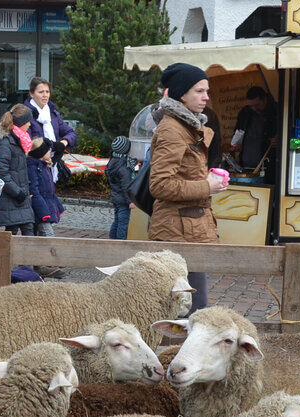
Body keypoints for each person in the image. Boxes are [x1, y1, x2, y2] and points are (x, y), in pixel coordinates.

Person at [148, 62, 228, 314]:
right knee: (187, 309)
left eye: (207, 91)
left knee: (195, 308)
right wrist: (206, 186)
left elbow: (180, 173)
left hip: (188, 230)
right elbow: (160, 185)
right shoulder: (173, 130)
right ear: (182, 93)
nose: (206, 97)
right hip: (176, 232)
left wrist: (205, 178)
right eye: (199, 91)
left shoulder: (188, 126)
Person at [0, 104, 35, 236]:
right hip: (13, 197)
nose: (30, 125)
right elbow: (1, 172)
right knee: (13, 234)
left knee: (24, 231)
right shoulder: (6, 142)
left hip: (20, 196)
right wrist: (18, 192)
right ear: (21, 123)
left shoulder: (17, 140)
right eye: (28, 122)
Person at [25, 76, 77, 184]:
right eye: (41, 92)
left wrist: (63, 142)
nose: (45, 95)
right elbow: (28, 143)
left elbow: (71, 133)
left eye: (47, 92)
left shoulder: (52, 113)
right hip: (34, 166)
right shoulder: (26, 114)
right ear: (31, 94)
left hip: (52, 164)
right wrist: (54, 146)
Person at [231, 86, 278, 176]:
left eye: (257, 105)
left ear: (265, 99)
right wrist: (237, 143)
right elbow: (238, 131)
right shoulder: (245, 112)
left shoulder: (277, 111)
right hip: (246, 166)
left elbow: (287, 133)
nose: (254, 109)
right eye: (251, 106)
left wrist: (281, 139)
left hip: (268, 167)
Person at [27, 137, 64, 237]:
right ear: (41, 153)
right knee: (48, 235)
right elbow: (34, 191)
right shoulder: (33, 167)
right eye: (48, 150)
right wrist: (43, 211)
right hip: (40, 209)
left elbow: (49, 191)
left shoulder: (43, 166)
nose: (50, 151)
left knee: (39, 235)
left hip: (45, 206)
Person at [106, 135, 137, 240]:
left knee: (117, 221)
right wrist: (130, 201)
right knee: (123, 224)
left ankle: (111, 240)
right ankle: (121, 243)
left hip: (116, 197)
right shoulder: (124, 167)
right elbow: (126, 186)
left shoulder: (113, 161)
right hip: (124, 200)